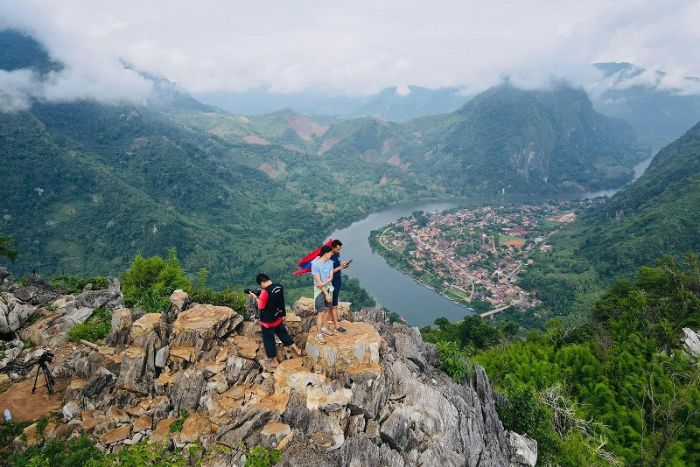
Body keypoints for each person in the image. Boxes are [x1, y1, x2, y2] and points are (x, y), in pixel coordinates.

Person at [249, 273, 305, 369]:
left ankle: (274, 362)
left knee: (269, 341)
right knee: (283, 334)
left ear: (261, 283)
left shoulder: (264, 292)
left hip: (268, 322)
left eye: (260, 285)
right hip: (278, 317)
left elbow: (261, 306)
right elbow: (278, 300)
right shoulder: (279, 286)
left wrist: (256, 297)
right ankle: (298, 350)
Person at [311, 245, 335, 343]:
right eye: (330, 253)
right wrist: (326, 294)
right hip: (320, 291)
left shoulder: (330, 262)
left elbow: (330, 277)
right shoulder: (315, 264)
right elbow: (318, 282)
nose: (332, 254)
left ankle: (324, 328)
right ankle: (318, 334)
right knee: (320, 312)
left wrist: (323, 283)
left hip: (328, 287)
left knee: (327, 309)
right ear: (326, 253)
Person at [329, 239, 350, 333]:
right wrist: (340, 267)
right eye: (337, 249)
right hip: (331, 282)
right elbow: (328, 273)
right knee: (334, 304)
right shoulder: (328, 257)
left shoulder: (336, 254)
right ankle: (337, 326)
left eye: (340, 249)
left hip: (338, 280)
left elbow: (337, 266)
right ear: (332, 248)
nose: (339, 251)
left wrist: (343, 265)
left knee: (334, 303)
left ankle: (331, 320)